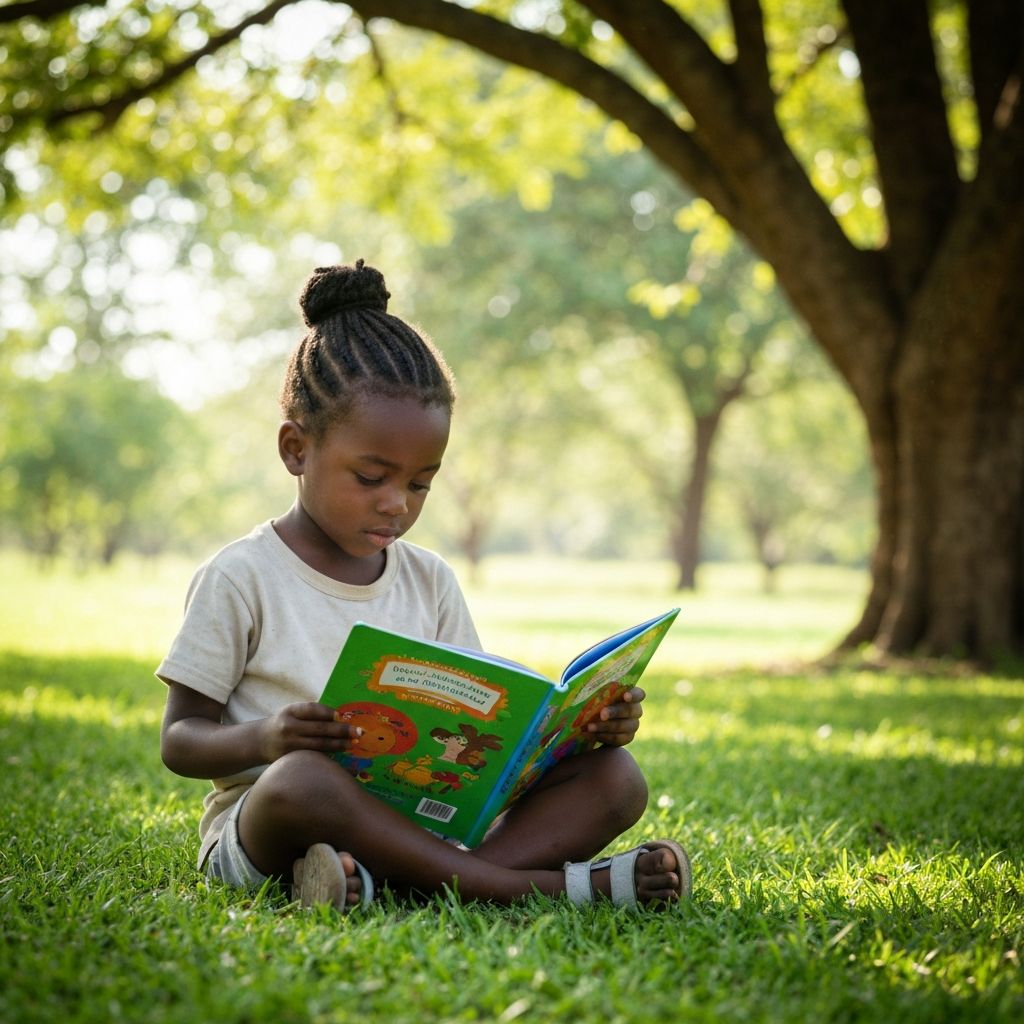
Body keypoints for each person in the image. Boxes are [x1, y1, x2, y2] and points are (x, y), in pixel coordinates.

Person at [158, 260, 690, 911]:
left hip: (418, 824)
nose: (396, 505)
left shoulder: (430, 579)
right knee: (303, 779)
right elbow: (181, 740)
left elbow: (479, 729)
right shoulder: (241, 576)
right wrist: (267, 739)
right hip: (275, 826)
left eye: (419, 484)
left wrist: (580, 731)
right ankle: (546, 890)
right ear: (296, 449)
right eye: (371, 477)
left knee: (616, 779)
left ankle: (399, 885)